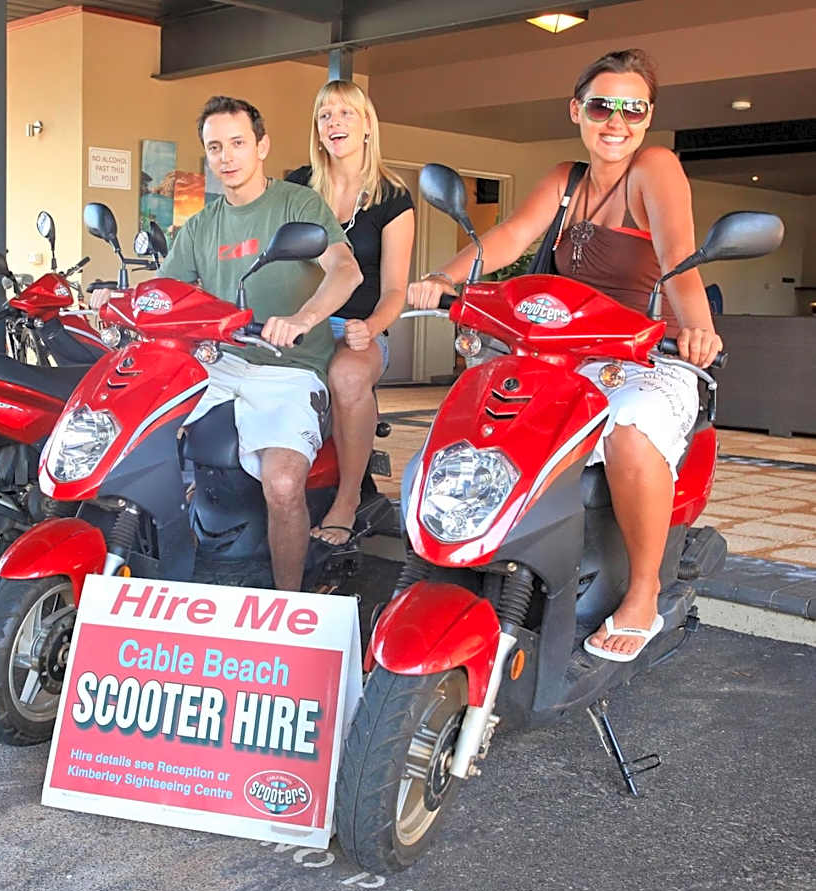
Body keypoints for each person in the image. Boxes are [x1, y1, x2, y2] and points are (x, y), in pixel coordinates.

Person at [407, 49, 723, 662]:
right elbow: (507, 239)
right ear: (577, 109)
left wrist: (699, 331)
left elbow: (679, 258)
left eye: (635, 109)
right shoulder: (565, 179)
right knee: (486, 422)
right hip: (560, 354)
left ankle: (642, 591)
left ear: (649, 117)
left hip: (645, 356)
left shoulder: (654, 168)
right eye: (603, 104)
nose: (617, 121)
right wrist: (444, 278)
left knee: (630, 429)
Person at [96, 96, 361, 591]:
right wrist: (121, 301)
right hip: (217, 363)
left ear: (261, 146)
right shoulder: (200, 225)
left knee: (283, 484)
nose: (226, 157)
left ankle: (288, 604)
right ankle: (166, 582)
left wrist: (302, 318)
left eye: (238, 143)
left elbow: (346, 269)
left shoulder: (296, 204)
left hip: (289, 365)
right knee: (133, 441)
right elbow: (166, 295)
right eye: (215, 147)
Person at [286, 80, 415, 546]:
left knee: (346, 375)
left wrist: (372, 327)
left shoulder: (392, 198)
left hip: (358, 328)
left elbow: (397, 287)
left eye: (345, 113)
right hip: (303, 323)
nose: (334, 122)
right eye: (324, 115)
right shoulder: (299, 186)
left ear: (366, 126)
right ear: (317, 130)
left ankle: (347, 500)